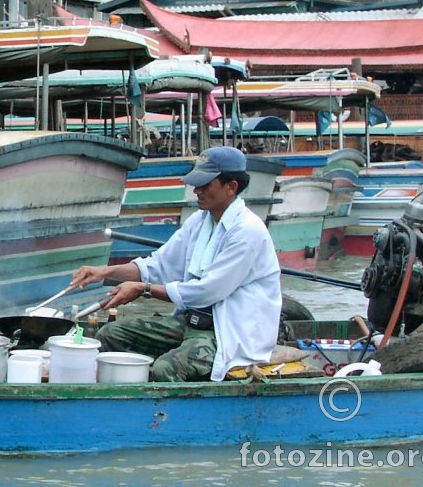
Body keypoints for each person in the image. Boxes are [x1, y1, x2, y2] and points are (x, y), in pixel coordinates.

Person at [70, 146, 281, 382]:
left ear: (231, 187)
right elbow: (157, 266)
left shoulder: (247, 231)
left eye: (205, 185)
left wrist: (143, 289)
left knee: (165, 369)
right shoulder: (200, 221)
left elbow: (206, 292)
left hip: (228, 334)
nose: (196, 190)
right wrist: (104, 272)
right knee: (110, 334)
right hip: (189, 322)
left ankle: (170, 416)